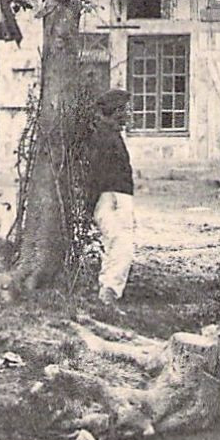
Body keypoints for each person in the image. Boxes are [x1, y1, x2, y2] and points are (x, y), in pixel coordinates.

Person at [89, 89, 136, 305]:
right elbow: (99, 171)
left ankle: (106, 291)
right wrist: (108, 198)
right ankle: (109, 293)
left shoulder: (108, 134)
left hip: (115, 196)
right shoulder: (105, 137)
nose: (129, 114)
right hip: (113, 197)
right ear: (116, 111)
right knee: (122, 243)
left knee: (116, 243)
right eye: (126, 109)